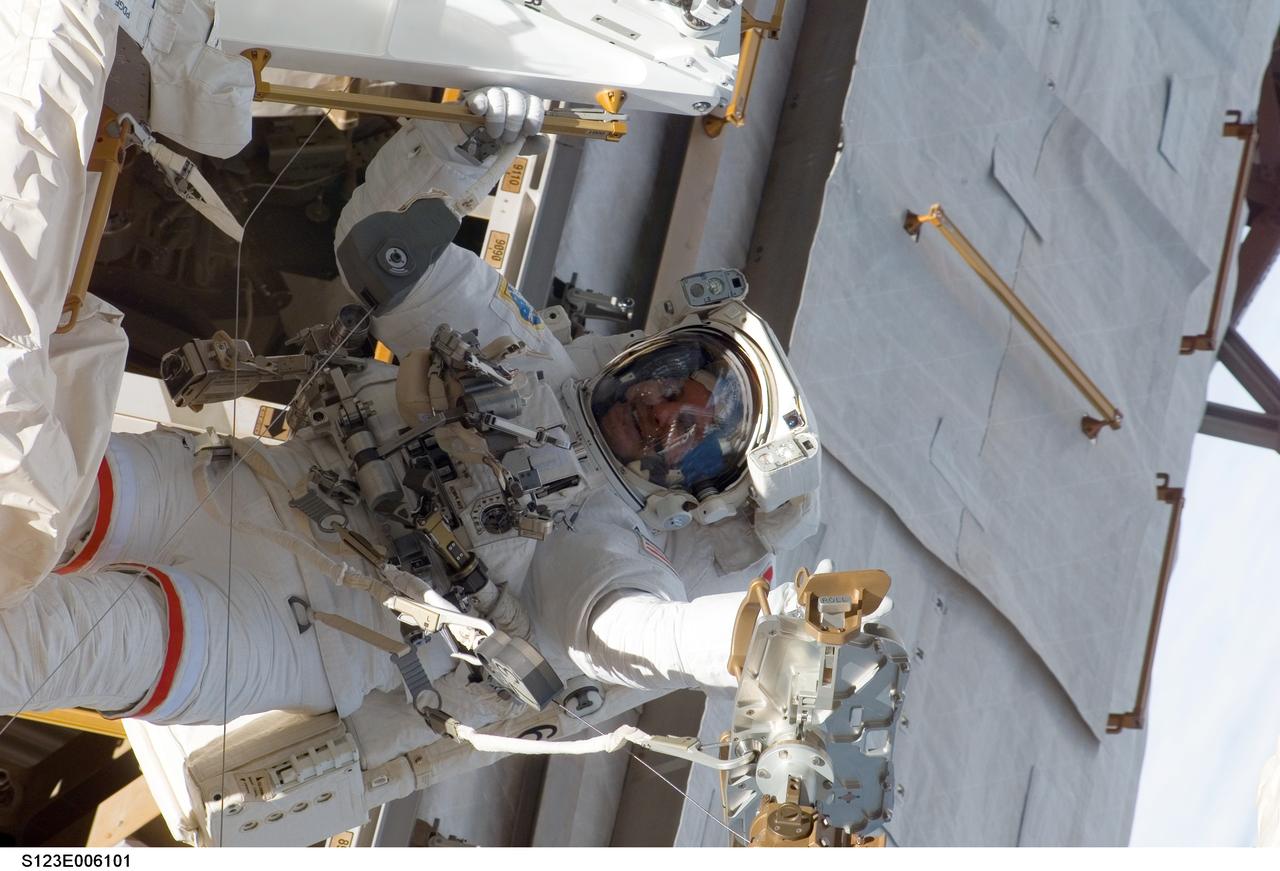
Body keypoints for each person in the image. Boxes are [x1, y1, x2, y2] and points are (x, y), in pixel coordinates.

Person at [0, 0, 820, 777]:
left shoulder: (614, 549)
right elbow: (383, 249)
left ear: (697, 487)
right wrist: (465, 146)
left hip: (307, 632)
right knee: (37, 493)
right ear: (656, 350)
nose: (664, 406)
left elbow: (645, 634)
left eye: (694, 431)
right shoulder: (524, 353)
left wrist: (757, 641)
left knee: (54, 644)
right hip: (249, 490)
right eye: (680, 378)